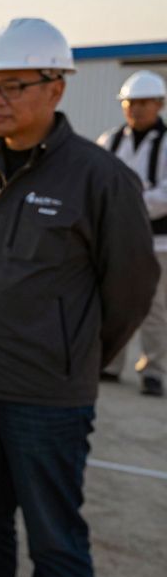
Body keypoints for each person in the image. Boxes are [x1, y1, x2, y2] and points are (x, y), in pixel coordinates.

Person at [0, 18, 158, 577]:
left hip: (47, 400)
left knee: (56, 541)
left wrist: (77, 355)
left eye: (13, 86)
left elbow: (132, 289)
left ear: (56, 87)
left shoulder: (101, 179)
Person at [97, 69, 167, 397]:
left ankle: (153, 370)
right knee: (111, 301)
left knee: (154, 309)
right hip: (114, 242)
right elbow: (96, 186)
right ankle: (110, 363)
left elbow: (164, 196)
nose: (135, 109)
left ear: (159, 104)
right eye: (129, 103)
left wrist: (126, 205)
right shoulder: (109, 140)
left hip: (158, 243)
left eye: (143, 103)